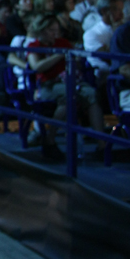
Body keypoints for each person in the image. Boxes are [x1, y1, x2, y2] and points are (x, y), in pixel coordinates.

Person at [27, 14, 106, 161]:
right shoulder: (34, 46)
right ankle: (50, 139)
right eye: (51, 30)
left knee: (92, 94)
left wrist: (75, 59)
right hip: (48, 85)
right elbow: (36, 67)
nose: (55, 33)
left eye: (56, 30)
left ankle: (102, 145)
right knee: (69, 96)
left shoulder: (63, 42)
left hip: (70, 81)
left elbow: (76, 61)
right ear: (42, 30)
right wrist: (59, 55)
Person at [83, 0, 125, 81]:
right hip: (103, 77)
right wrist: (117, 33)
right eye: (117, 10)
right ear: (104, 11)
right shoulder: (91, 34)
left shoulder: (125, 30)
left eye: (122, 10)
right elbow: (110, 57)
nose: (121, 14)